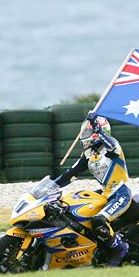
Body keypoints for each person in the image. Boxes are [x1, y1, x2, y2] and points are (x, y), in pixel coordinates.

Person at [54, 111, 132, 267]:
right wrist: (52, 185)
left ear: (98, 131)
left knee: (98, 220)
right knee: (74, 213)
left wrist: (96, 125)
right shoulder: (89, 154)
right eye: (86, 131)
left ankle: (120, 248)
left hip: (120, 194)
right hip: (105, 194)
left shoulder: (113, 148)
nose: (86, 134)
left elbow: (110, 144)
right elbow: (71, 173)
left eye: (89, 131)